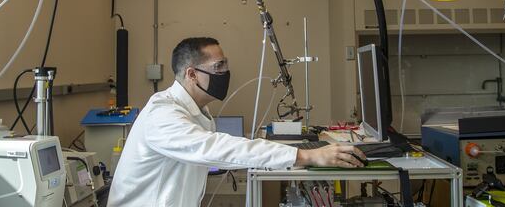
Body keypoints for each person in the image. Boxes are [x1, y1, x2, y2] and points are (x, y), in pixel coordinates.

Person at [108, 37, 366, 207]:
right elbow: (216, 148)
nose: (225, 73)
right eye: (218, 66)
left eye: (225, 65)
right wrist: (307, 157)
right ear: (191, 74)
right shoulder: (162, 115)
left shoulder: (198, 112)